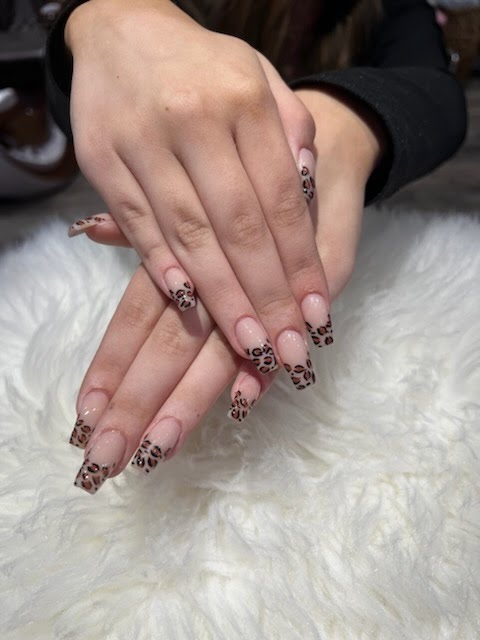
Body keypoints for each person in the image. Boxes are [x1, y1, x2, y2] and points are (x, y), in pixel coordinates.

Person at [44, 0, 467, 494]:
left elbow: (437, 90)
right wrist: (103, 19)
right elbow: (82, 116)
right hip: (166, 232)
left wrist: (340, 124)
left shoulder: (381, 8)